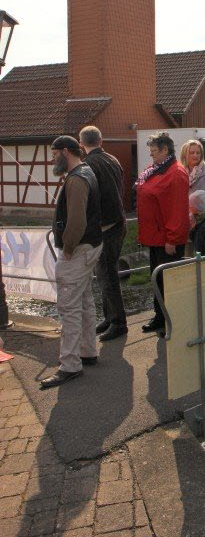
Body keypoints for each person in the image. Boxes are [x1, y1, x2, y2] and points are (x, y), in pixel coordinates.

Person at [40, 136, 103, 389]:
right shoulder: (86, 171)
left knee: (68, 307)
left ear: (66, 152)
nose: (52, 158)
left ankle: (69, 365)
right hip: (91, 247)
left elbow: (77, 222)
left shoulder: (76, 179)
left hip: (77, 251)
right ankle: (88, 351)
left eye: (54, 154)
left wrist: (67, 249)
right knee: (85, 301)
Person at [136, 132, 189, 335]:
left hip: (166, 239)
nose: (151, 156)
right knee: (157, 280)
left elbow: (177, 209)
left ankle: (171, 321)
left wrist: (172, 239)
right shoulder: (156, 169)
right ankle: (161, 317)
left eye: (154, 152)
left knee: (167, 282)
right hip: (155, 236)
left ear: (165, 150)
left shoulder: (175, 173)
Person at [79, 125, 127, 342]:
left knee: (106, 275)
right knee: (106, 273)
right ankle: (109, 317)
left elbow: (92, 198)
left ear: (81, 144)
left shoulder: (88, 165)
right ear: (101, 140)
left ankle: (118, 322)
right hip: (119, 222)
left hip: (105, 226)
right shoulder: (112, 159)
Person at [181, 139, 205, 207]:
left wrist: (196, 211)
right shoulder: (181, 171)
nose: (195, 155)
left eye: (198, 153)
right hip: (184, 212)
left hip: (203, 214)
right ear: (185, 154)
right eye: (192, 152)